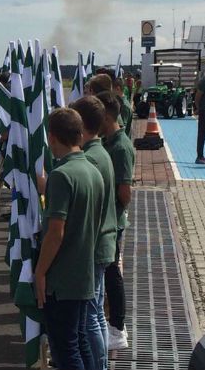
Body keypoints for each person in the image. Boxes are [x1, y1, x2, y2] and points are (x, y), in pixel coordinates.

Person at [34, 107, 104, 370]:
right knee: (80, 342)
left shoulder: (62, 175)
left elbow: (56, 231)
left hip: (63, 278)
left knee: (65, 351)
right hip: (83, 273)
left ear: (52, 138)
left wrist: (40, 272)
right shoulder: (91, 170)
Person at [71, 96, 118, 370]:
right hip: (103, 242)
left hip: (94, 245)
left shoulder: (91, 158)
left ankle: (97, 364)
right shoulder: (101, 153)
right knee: (96, 312)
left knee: (90, 315)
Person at [96, 91, 134, 350]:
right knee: (108, 274)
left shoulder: (120, 147)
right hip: (107, 220)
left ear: (107, 116)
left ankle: (118, 328)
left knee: (112, 276)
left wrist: (111, 211)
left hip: (112, 222)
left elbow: (124, 192)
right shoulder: (109, 142)